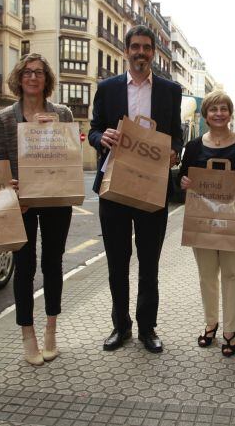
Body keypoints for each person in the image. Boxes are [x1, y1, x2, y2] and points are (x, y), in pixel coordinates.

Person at [89, 24, 183, 353]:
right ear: (125, 51)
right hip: (114, 187)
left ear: (154, 53)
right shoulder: (108, 88)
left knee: (149, 263)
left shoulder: (170, 91)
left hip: (152, 188)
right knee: (117, 261)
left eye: (146, 47)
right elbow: (93, 130)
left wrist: (175, 152)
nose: (140, 52)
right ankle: (120, 326)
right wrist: (103, 138)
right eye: (135, 47)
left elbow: (177, 134)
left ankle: (147, 328)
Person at [0, 54, 74, 366]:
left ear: (46, 80)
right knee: (24, 267)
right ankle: (28, 333)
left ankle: (51, 328)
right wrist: (9, 186)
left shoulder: (62, 114)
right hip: (21, 204)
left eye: (39, 72)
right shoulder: (3, 118)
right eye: (27, 72)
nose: (33, 77)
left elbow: (69, 156)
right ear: (19, 78)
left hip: (56, 200)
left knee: (53, 263)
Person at [178, 91, 235, 357]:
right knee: (207, 276)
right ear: (206, 115)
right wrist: (183, 183)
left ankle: (229, 331)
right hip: (202, 221)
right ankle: (210, 324)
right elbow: (182, 176)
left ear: (229, 113)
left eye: (224, 109)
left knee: (233, 275)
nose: (219, 114)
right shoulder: (192, 147)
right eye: (213, 109)